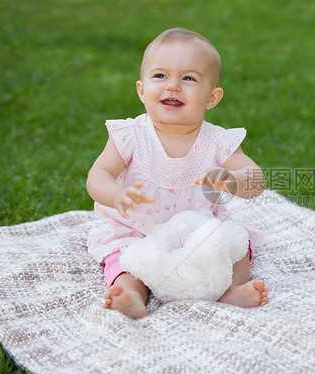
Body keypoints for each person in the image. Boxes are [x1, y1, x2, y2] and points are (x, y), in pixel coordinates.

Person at [86, 28, 269, 319]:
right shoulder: (130, 135)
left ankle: (230, 289)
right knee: (126, 260)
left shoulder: (218, 141)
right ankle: (132, 295)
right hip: (137, 230)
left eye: (188, 78)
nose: (172, 86)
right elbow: (99, 174)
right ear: (141, 90)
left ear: (212, 97)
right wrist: (116, 194)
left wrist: (232, 181)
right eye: (160, 76)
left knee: (237, 242)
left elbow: (256, 179)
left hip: (197, 232)